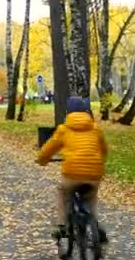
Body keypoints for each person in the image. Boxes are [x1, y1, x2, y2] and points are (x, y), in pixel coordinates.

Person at [36, 96, 108, 244]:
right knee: (91, 197)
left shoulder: (64, 129)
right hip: (95, 172)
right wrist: (97, 161)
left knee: (63, 193)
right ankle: (95, 224)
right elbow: (104, 150)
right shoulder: (96, 129)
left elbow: (49, 148)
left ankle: (62, 226)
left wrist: (42, 160)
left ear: (68, 112)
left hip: (72, 173)